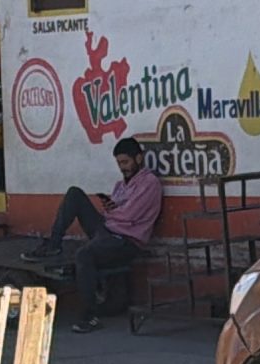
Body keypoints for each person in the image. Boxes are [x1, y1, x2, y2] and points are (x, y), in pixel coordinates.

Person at [23, 136, 163, 333]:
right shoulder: (121, 185)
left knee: (84, 255)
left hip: (126, 241)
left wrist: (111, 213)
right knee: (75, 194)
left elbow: (129, 215)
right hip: (108, 231)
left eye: (126, 162)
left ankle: (89, 317)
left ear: (139, 159)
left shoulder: (150, 183)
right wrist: (110, 212)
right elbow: (111, 212)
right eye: (119, 163)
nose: (123, 167)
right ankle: (53, 245)